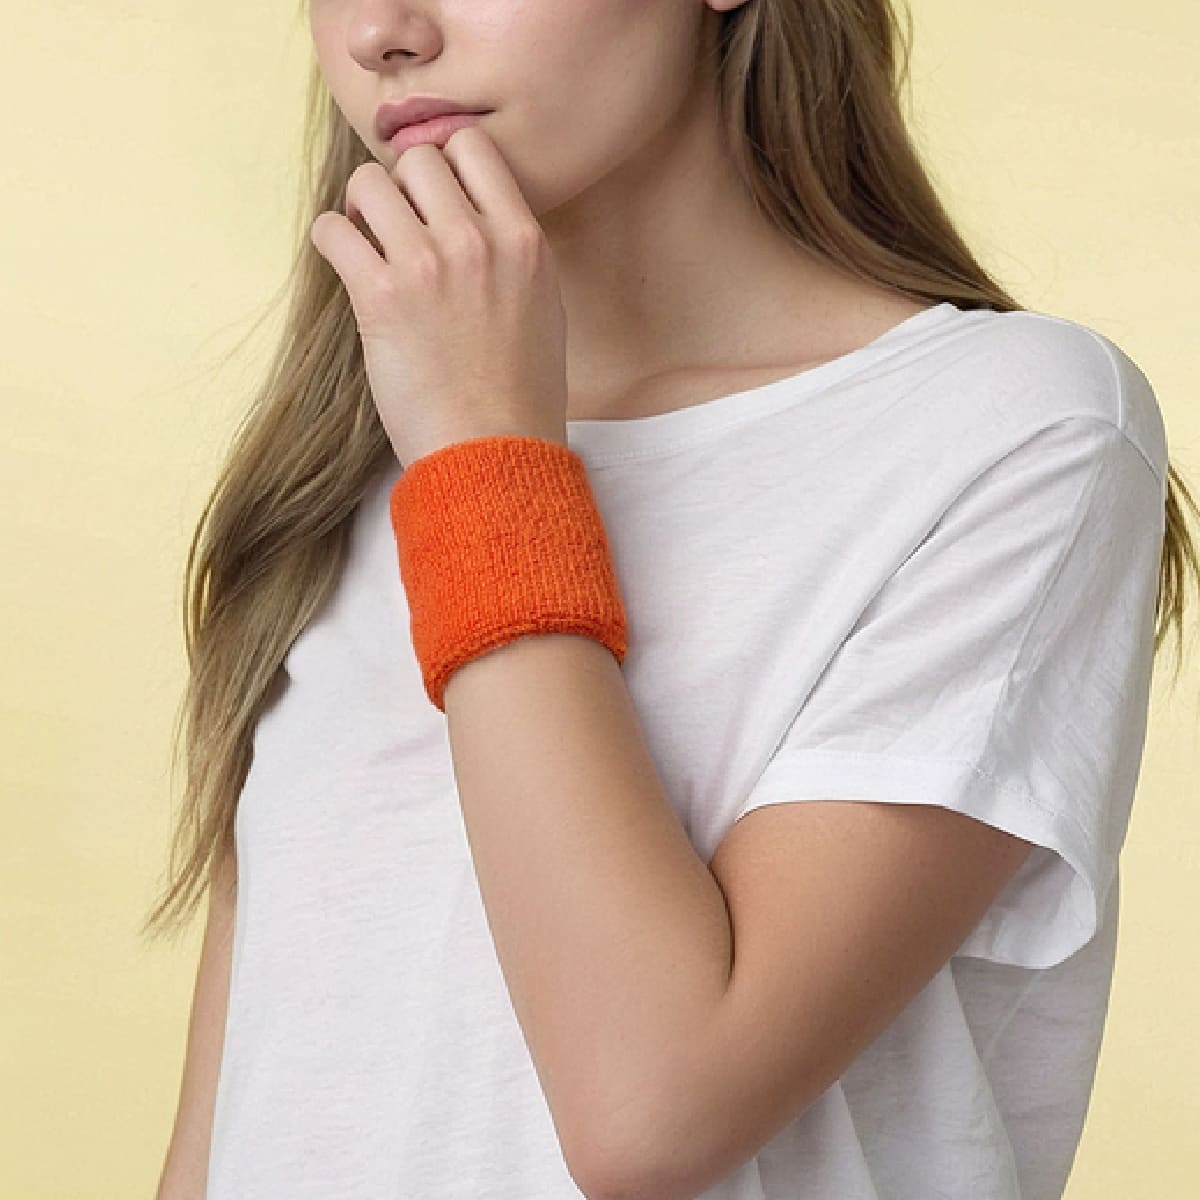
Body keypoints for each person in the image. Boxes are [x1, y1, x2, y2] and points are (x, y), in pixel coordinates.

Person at [148, 2, 1198, 1199]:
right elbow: (229, 1138)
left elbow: (650, 1114)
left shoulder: (1011, 429)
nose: (383, 30)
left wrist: (484, 463)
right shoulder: (343, 467)